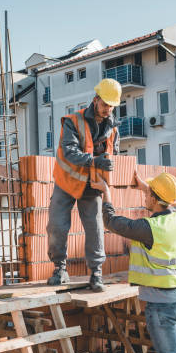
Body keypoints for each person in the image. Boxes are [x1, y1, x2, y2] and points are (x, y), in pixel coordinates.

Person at [91, 171, 176, 353]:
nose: (146, 198)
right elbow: (163, 202)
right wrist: (146, 187)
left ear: (155, 199)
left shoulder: (149, 229)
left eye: (149, 195)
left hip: (161, 307)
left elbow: (112, 222)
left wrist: (106, 192)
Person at [46, 78, 122, 292]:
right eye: (105, 104)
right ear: (95, 99)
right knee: (57, 226)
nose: (108, 109)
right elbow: (69, 151)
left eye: (111, 105)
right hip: (67, 181)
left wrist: (107, 168)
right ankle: (59, 268)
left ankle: (96, 273)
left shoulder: (113, 128)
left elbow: (113, 152)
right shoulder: (73, 121)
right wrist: (94, 161)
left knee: (95, 227)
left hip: (92, 185)